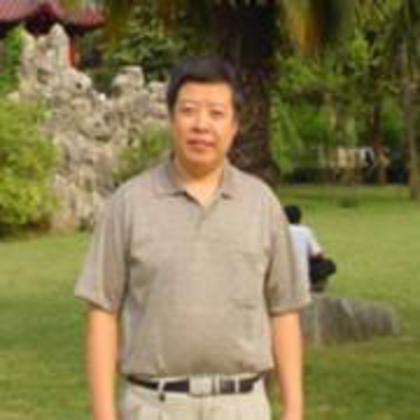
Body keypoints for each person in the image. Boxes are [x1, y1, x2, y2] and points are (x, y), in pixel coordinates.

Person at [75, 56, 310, 420]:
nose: (201, 125)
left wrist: (294, 409)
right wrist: (104, 415)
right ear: (171, 119)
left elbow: (284, 310)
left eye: (216, 113)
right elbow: (103, 311)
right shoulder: (129, 203)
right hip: (153, 405)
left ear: (234, 126)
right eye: (188, 111)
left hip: (242, 405)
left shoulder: (261, 204)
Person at [284, 205, 334, 292]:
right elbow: (318, 254)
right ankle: (315, 287)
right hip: (300, 277)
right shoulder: (305, 231)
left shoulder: (276, 230)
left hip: (280, 273)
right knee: (327, 264)